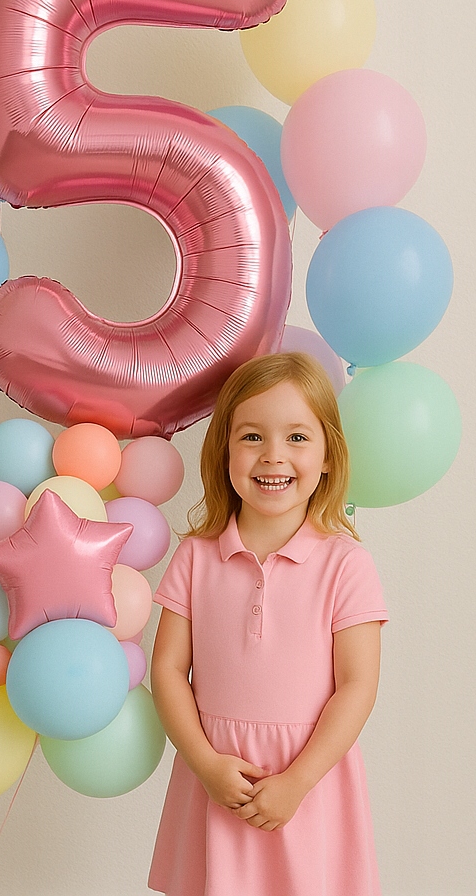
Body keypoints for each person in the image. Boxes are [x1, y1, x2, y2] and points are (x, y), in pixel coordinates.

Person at [148, 352, 388, 896]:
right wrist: (206, 763)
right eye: (252, 436)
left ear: (328, 456)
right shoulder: (196, 557)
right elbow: (167, 671)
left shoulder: (346, 565)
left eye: (297, 437)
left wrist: (297, 782)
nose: (273, 456)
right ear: (224, 450)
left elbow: (358, 686)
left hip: (308, 784)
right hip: (217, 781)